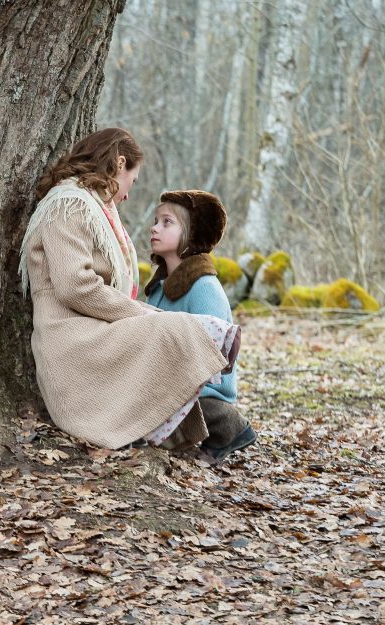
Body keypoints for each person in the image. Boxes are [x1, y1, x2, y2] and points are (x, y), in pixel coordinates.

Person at [18, 128, 240, 451]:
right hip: (71, 341)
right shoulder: (68, 204)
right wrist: (142, 315)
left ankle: (222, 422)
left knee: (176, 327)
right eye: (132, 182)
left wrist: (146, 314)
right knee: (170, 329)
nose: (127, 195)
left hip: (90, 331)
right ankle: (224, 426)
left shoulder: (91, 207)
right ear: (119, 164)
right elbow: (75, 287)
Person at [145, 190, 257, 461]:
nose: (155, 228)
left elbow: (213, 356)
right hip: (167, 384)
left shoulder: (204, 287)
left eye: (167, 222)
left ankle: (228, 426)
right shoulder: (158, 288)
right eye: (156, 221)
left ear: (191, 233)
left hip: (204, 392)